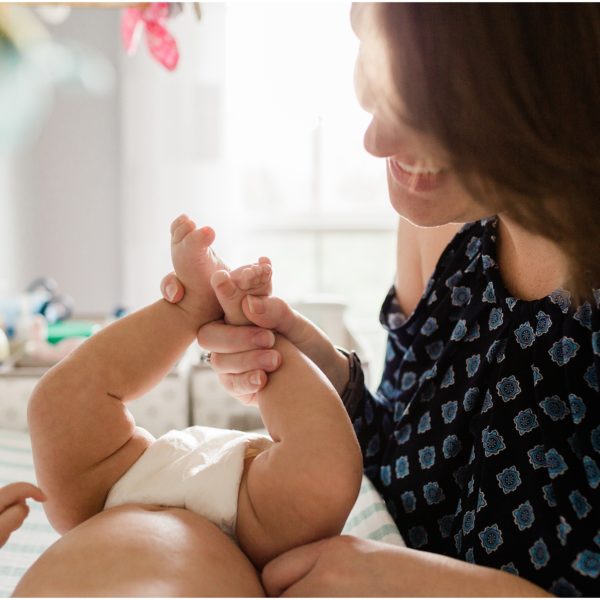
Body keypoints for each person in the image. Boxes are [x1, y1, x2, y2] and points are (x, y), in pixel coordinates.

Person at [161, 3, 600, 596]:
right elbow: (410, 464)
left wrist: (418, 586)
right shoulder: (441, 231)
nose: (375, 141)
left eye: (433, 111)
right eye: (381, 88)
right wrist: (315, 372)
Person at [16, 215, 361, 595]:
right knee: (321, 479)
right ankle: (259, 339)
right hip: (244, 531)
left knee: (58, 405)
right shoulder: (257, 528)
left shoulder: (94, 495)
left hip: (106, 497)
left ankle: (188, 309)